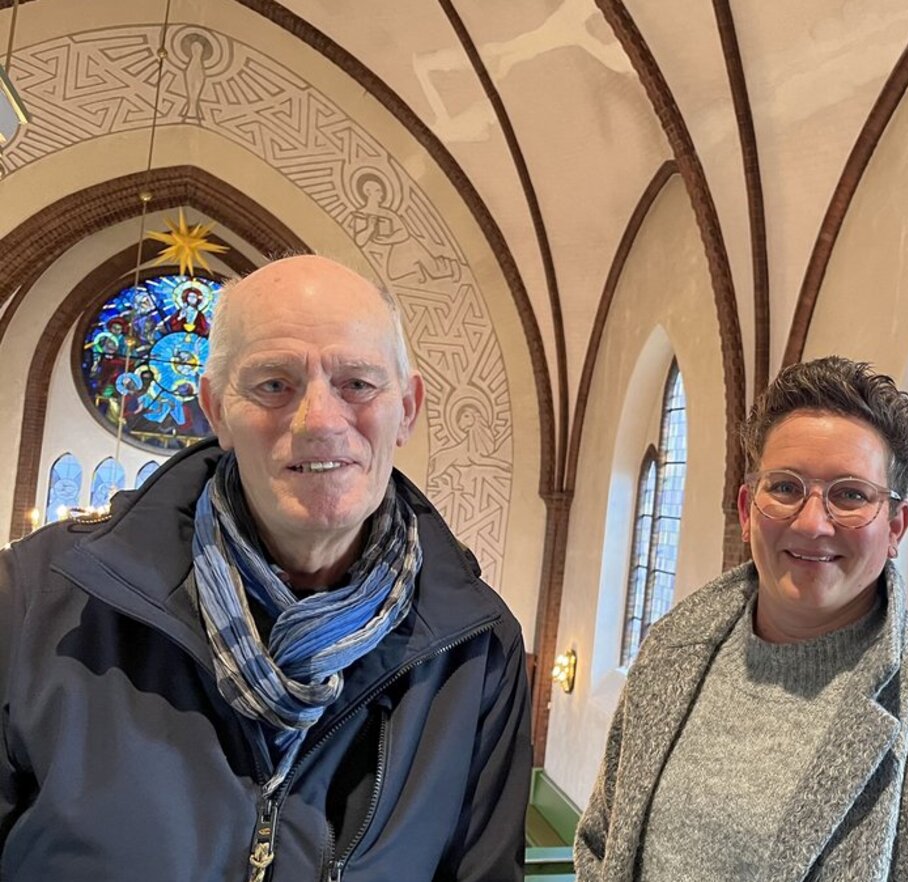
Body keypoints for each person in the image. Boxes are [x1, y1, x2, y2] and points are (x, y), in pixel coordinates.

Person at [0, 255, 532, 880]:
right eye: (274, 385)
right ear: (217, 409)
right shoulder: (36, 600)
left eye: (357, 384)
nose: (319, 422)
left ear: (407, 410)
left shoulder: (480, 654)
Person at [575, 356, 908, 881]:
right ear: (745, 510)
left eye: (850, 495)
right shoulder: (671, 652)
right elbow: (601, 845)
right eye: (785, 488)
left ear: (895, 527)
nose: (812, 523)